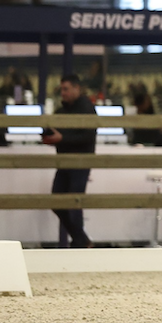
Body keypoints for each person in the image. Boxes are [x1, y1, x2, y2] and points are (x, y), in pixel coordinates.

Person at [42, 73, 97, 248]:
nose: (63, 93)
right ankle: (81, 239)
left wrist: (61, 138)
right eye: (62, 89)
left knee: (73, 203)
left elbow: (87, 136)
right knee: (57, 202)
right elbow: (59, 132)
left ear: (76, 88)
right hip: (64, 162)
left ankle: (80, 242)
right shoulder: (62, 110)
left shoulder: (87, 108)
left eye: (66, 89)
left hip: (80, 163)